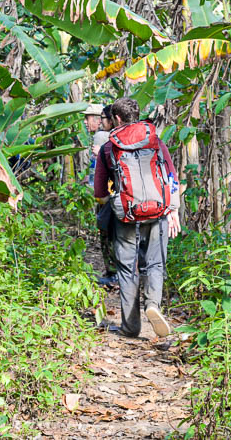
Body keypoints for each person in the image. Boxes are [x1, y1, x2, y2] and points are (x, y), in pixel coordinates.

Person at [94, 97, 180, 338]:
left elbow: (100, 193)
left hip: (126, 214)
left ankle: (131, 326)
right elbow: (172, 177)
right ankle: (153, 304)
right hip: (159, 211)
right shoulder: (155, 141)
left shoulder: (108, 148)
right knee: (155, 263)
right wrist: (173, 210)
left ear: (117, 118)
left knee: (126, 267)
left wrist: (113, 196)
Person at [90, 104, 118, 286]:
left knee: (108, 234)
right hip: (125, 198)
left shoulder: (105, 139)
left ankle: (113, 273)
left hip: (110, 196)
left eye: (103, 118)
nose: (101, 122)